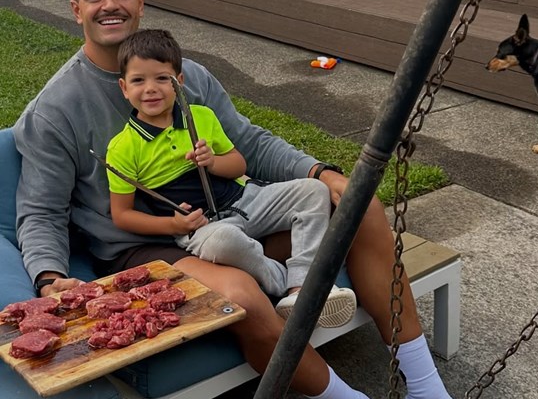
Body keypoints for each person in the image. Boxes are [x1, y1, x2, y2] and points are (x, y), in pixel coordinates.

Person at [14, 0, 515, 399]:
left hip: (227, 216)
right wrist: (50, 277)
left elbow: (248, 143)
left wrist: (322, 173)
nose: (109, 5)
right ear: (76, 10)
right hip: (148, 251)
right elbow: (40, 210)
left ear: (142, 2)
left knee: (359, 208)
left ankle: (429, 396)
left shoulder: (188, 76)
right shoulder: (56, 109)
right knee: (243, 295)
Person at [106, 27, 357, 328]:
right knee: (224, 243)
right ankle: (286, 285)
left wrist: (213, 162)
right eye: (138, 80)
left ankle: (302, 283)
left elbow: (238, 164)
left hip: (244, 198)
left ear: (180, 82)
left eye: (162, 78)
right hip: (203, 226)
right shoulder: (122, 148)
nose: (151, 89)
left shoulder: (201, 116)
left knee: (313, 191)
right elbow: (122, 216)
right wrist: (173, 224)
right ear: (123, 87)